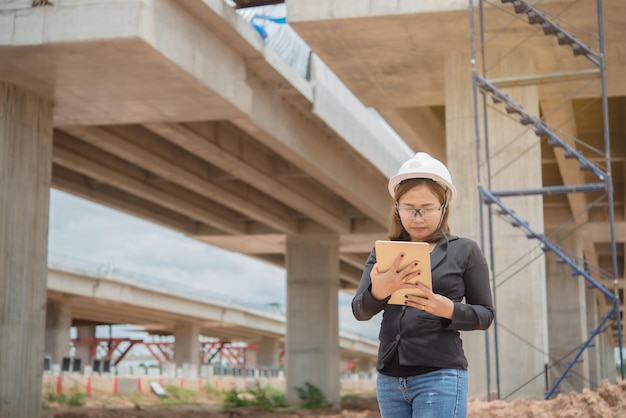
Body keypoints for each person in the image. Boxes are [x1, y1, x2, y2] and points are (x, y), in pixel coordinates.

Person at [352, 152, 494, 418]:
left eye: (427, 208)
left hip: (439, 375)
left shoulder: (464, 250)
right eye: (409, 208)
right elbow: (359, 310)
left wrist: (447, 309)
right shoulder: (383, 252)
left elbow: (485, 315)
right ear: (397, 209)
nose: (417, 217)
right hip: (389, 378)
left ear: (443, 208)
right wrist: (378, 292)